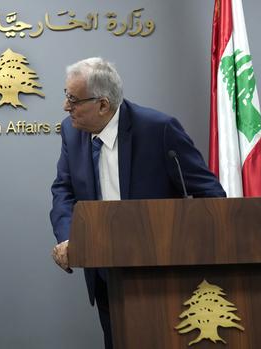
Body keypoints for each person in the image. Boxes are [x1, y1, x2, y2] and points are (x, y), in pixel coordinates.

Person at [49, 57, 226, 348]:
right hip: (105, 274)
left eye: (73, 99)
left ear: (103, 105)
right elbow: (64, 190)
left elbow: (210, 194)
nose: (66, 107)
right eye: (66, 96)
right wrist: (70, 238)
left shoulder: (159, 129)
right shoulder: (72, 131)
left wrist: (188, 244)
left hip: (161, 278)